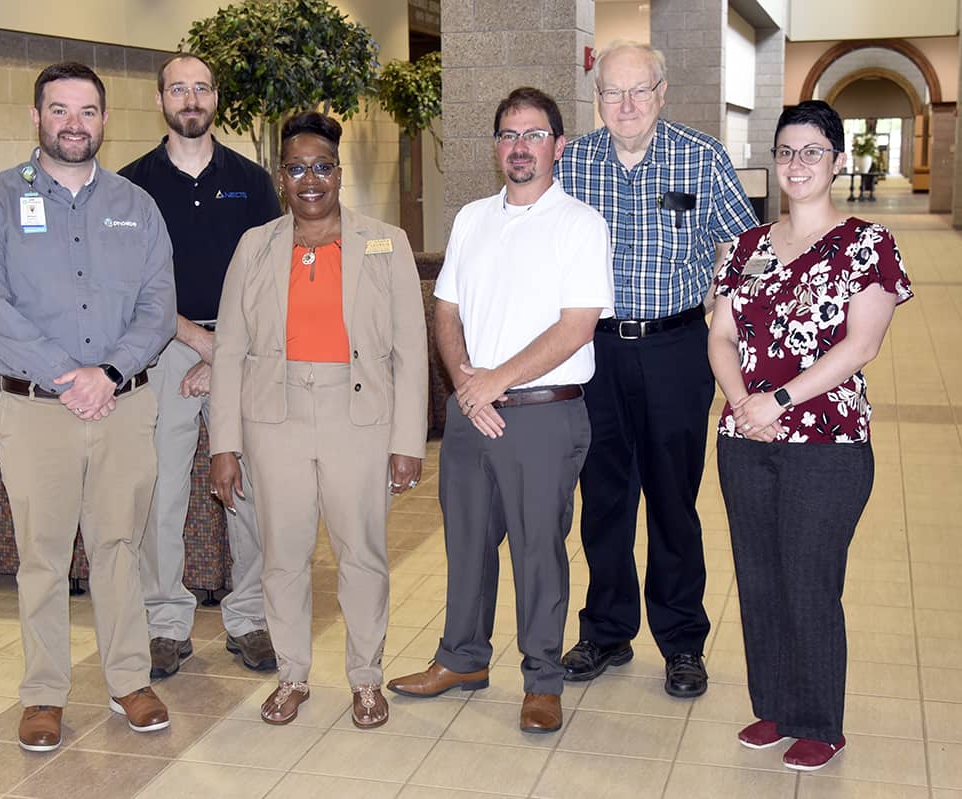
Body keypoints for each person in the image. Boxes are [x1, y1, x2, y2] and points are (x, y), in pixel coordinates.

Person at [0, 62, 176, 752]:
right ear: (36, 117)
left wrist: (107, 372)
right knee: (42, 556)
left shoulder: (136, 206)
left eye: (87, 111)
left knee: (118, 547)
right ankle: (45, 694)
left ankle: (128, 680)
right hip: (33, 409)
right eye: (59, 110)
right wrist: (67, 375)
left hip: (122, 403)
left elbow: (158, 308)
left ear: (105, 121)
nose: (74, 124)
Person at [387, 87, 613, 734]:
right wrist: (465, 382)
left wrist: (493, 383)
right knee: (466, 542)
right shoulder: (471, 219)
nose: (520, 146)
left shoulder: (580, 224)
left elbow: (575, 329)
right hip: (470, 412)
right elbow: (447, 310)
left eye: (534, 134)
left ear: (558, 146)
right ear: (496, 147)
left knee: (538, 551)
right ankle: (461, 657)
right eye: (509, 135)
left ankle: (542, 679)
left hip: (543, 415)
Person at [709, 100, 912, 771]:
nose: (797, 164)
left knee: (808, 578)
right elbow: (722, 333)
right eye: (788, 151)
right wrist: (743, 403)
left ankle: (821, 719)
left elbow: (862, 345)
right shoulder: (742, 247)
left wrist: (780, 399)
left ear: (838, 161)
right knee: (759, 577)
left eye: (813, 151)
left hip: (828, 444)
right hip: (744, 438)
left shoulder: (867, 245)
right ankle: (775, 706)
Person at [208, 111, 427, 729]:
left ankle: (365, 678)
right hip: (273, 418)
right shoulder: (255, 246)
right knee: (282, 555)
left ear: (339, 173)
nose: (311, 179)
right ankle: (292, 675)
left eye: (322, 167)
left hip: (358, 416)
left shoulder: (385, 243)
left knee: (362, 554)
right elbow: (229, 351)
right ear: (282, 177)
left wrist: (407, 440)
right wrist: (224, 444)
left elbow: (412, 347)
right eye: (298, 168)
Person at [554, 40, 756, 695]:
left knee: (674, 502)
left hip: (676, 351)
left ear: (662, 93)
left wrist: (725, 319)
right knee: (604, 498)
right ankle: (606, 631)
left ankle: (682, 642)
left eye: (640, 90)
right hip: (597, 353)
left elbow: (746, 250)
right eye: (613, 92)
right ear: (598, 99)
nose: (627, 104)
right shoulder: (575, 162)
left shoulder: (702, 157)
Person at [119, 53, 282, 679]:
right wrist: (198, 343)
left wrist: (226, 353)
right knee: (160, 490)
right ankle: (164, 623)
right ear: (160, 99)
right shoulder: (130, 187)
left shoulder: (252, 180)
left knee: (250, 486)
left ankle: (250, 619)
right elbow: (132, 284)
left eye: (202, 89)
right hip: (163, 348)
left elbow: (272, 280)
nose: (191, 99)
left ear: (217, 99)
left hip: (245, 347)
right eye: (178, 89)